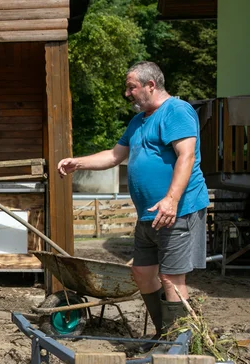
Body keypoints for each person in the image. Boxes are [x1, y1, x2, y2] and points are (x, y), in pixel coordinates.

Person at [58, 61, 209, 345]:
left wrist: (171, 199)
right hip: (148, 216)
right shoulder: (138, 122)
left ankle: (178, 347)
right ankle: (167, 335)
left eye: (132, 87)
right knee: (142, 273)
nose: (127, 94)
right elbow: (115, 156)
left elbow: (186, 157)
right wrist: (78, 162)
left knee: (172, 279)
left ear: (151, 85)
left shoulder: (176, 111)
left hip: (177, 210)